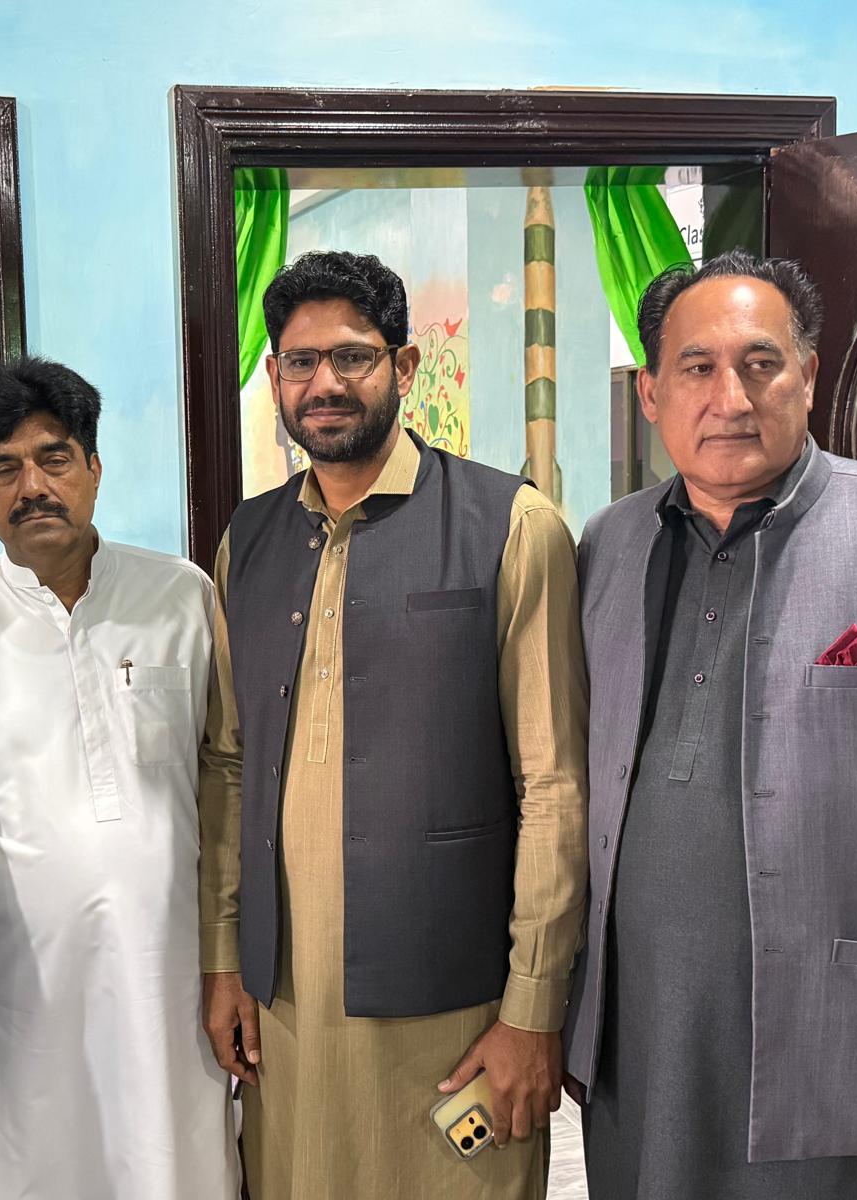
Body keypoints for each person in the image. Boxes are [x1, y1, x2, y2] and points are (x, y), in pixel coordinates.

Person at [565, 250, 857, 1200]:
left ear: (808, 374)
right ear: (651, 393)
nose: (729, 397)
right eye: (696, 367)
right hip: (644, 1060)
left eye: (760, 363)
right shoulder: (608, 545)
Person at [199, 250, 589, 1199]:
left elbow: (554, 785)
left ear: (403, 367)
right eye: (300, 362)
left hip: (452, 1003)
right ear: (275, 377)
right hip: (286, 1002)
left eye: (352, 357)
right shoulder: (248, 540)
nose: (324, 384)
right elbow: (230, 765)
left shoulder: (510, 525)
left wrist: (533, 1009)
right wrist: (224, 961)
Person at [0, 357, 237, 1200]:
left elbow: (225, 781)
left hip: (172, 979)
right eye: (3, 468)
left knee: (177, 1166)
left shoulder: (182, 598)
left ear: (93, 466)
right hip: (11, 997)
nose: (32, 488)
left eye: (53, 458)